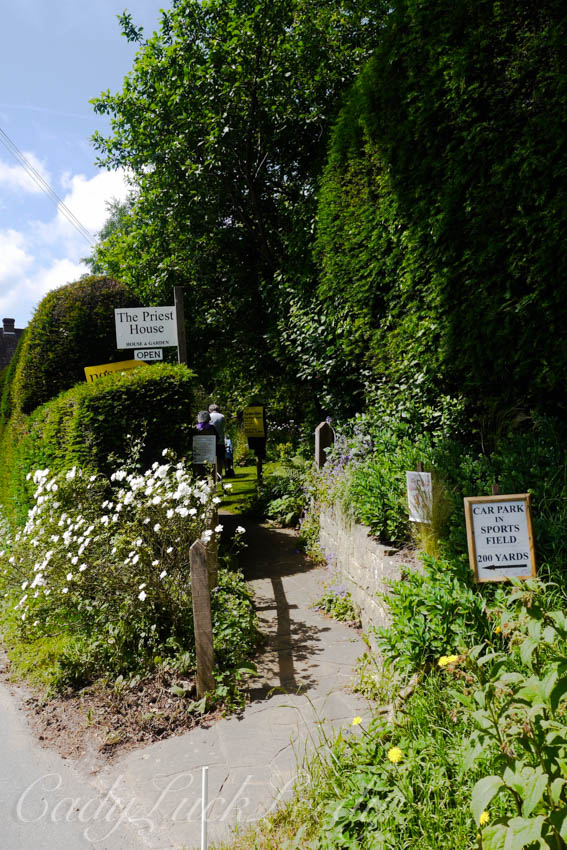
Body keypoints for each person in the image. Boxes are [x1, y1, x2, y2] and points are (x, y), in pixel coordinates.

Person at [208, 403, 226, 476]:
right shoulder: (222, 416)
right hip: (220, 440)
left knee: (211, 460)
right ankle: (219, 474)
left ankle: (212, 475)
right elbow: (223, 427)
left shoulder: (208, 416)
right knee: (219, 459)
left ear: (210, 410)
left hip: (210, 440)